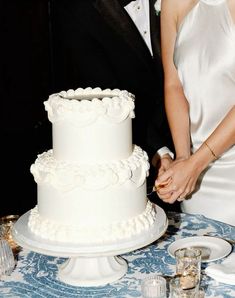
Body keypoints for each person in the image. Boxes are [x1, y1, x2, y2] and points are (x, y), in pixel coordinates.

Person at [49, 0, 179, 210]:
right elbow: (110, 100)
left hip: (207, 135)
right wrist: (161, 153)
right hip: (142, 157)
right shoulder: (79, 11)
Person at [155, 0, 235, 226]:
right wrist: (183, 158)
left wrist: (197, 163)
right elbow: (173, 85)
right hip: (197, 177)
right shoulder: (172, 3)